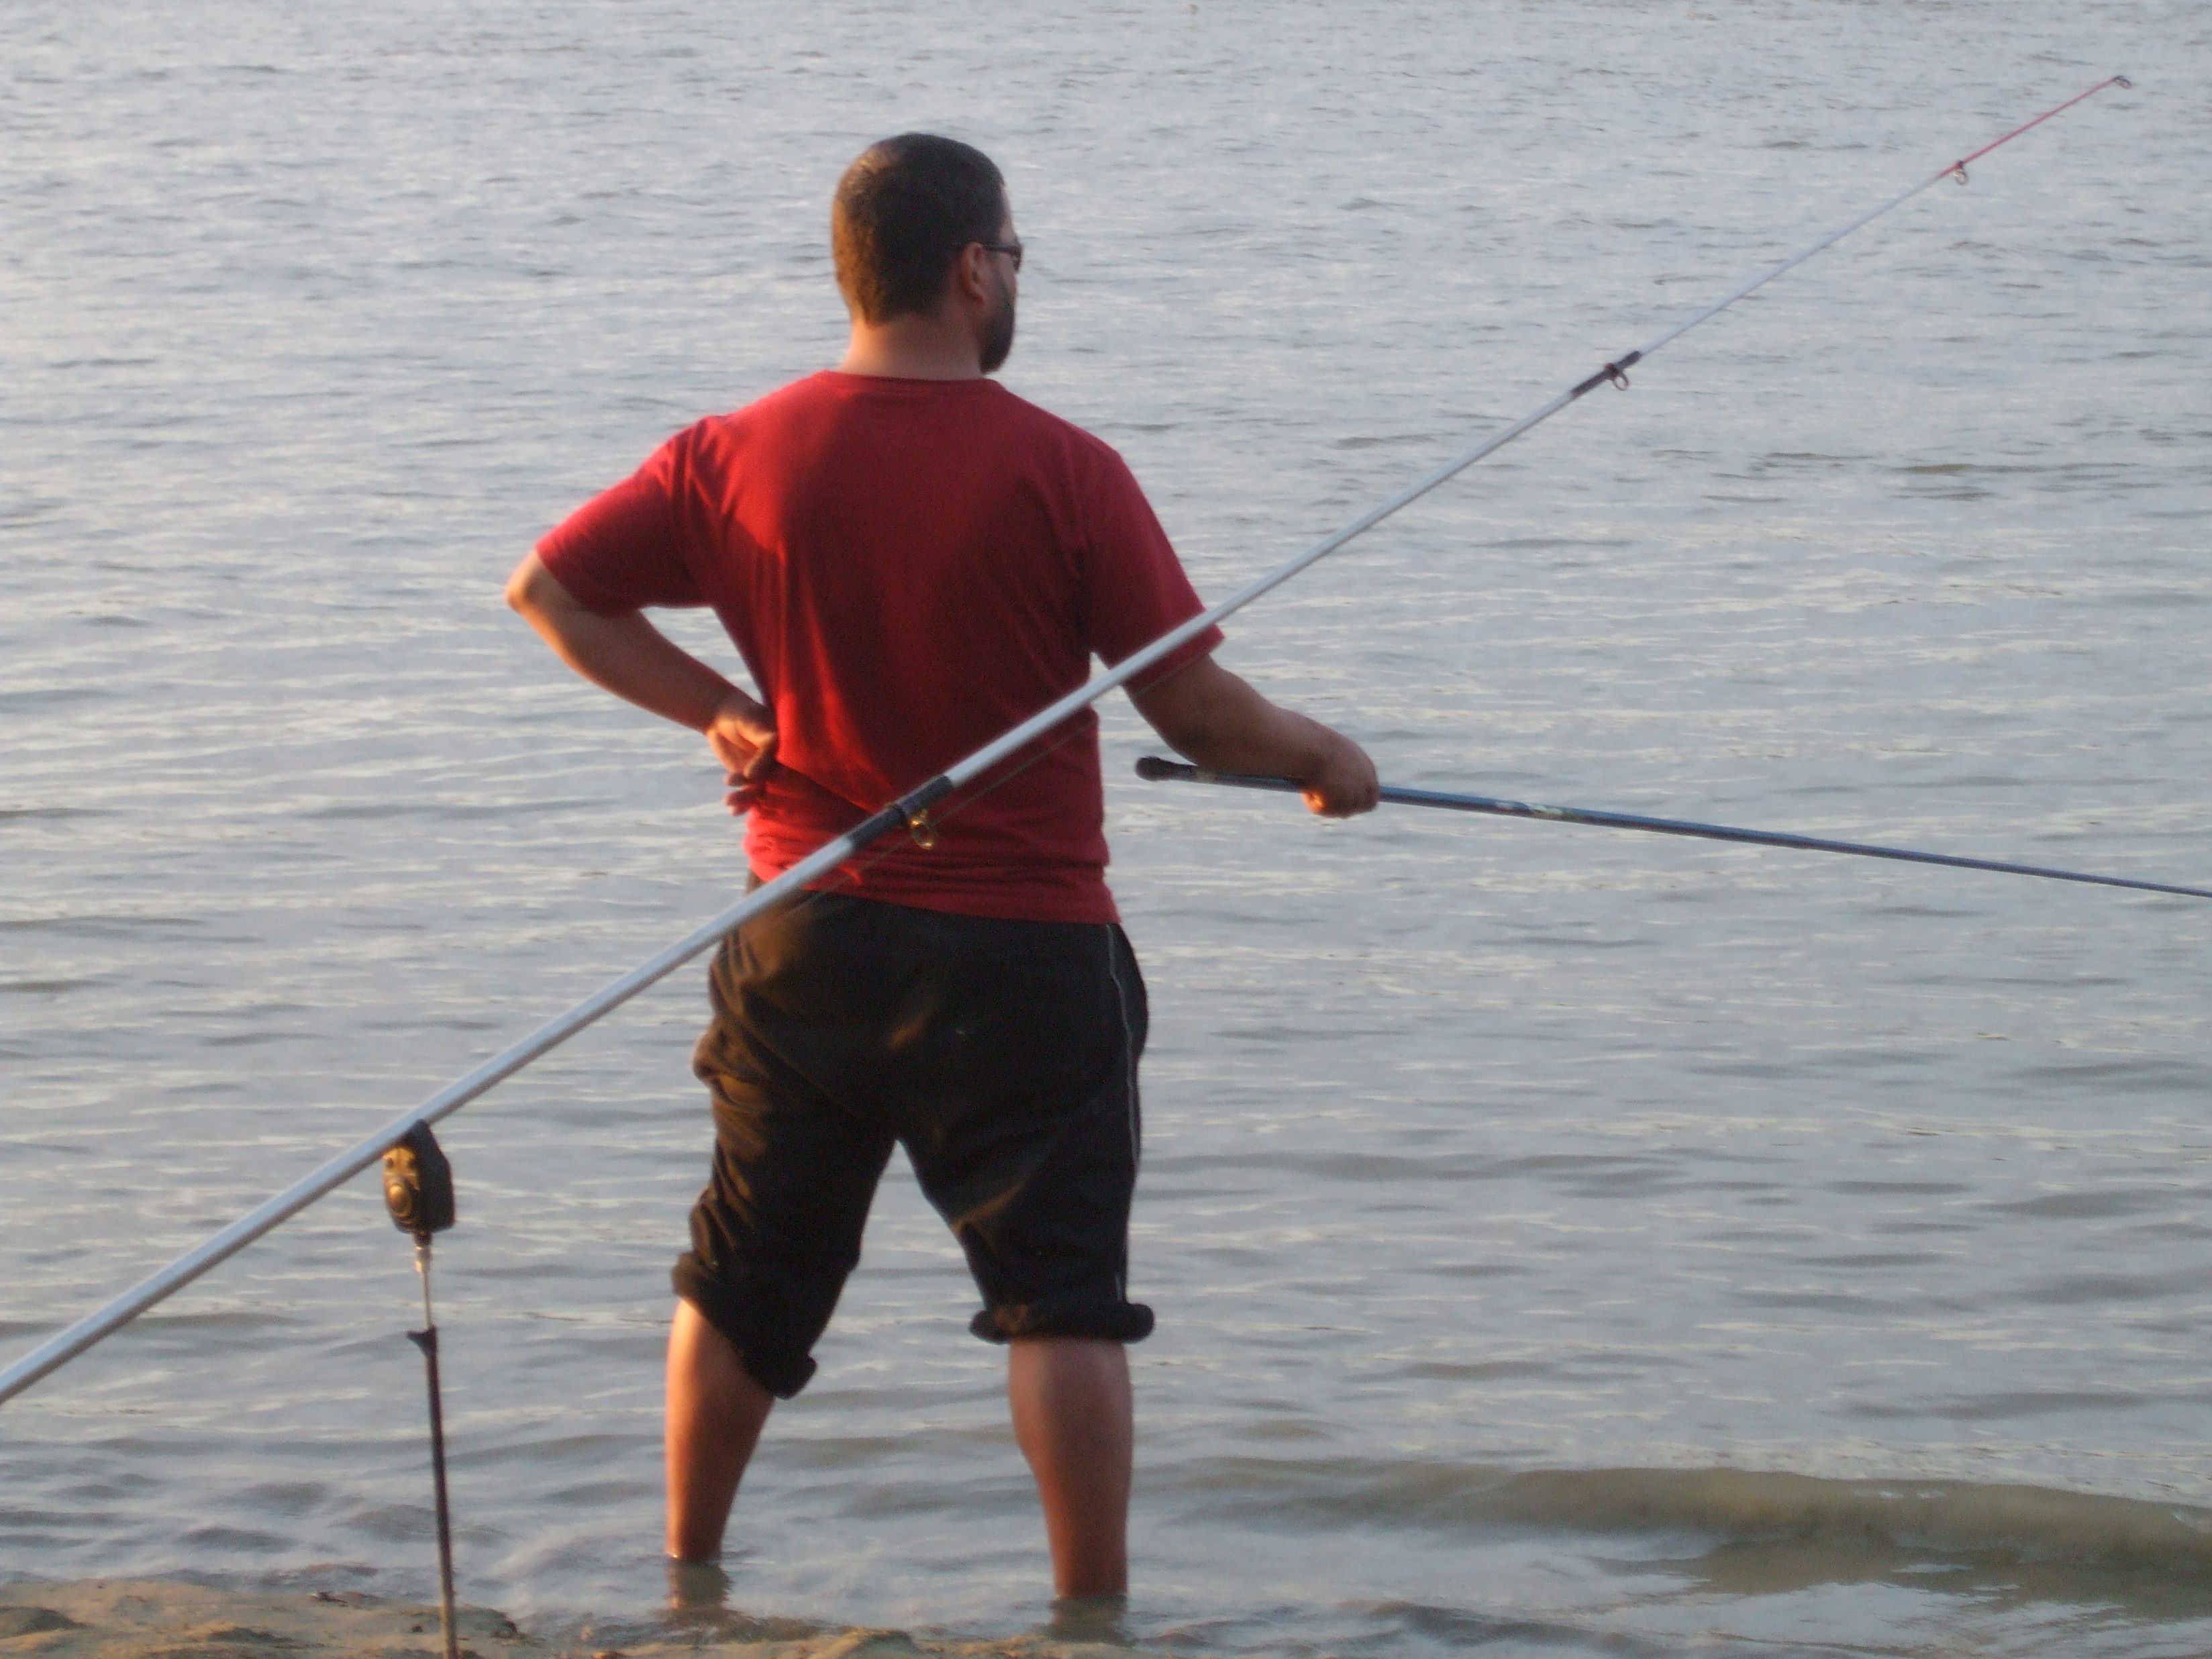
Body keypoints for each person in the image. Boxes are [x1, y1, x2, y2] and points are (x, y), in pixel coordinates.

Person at [506, 132, 1377, 1603]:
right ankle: (1089, 1618)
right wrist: (1325, 757)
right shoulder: (1066, 468)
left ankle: (686, 1580)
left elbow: (550, 592)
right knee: (1063, 1304)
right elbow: (1196, 717)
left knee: (744, 1277)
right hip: (1025, 956)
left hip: (808, 938)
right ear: (971, 268)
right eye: (1016, 254)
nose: (1018, 277)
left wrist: (718, 709)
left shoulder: (730, 454)